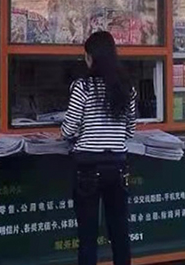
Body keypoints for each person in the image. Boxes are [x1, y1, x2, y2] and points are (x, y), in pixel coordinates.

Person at [61, 31, 137, 265]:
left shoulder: (82, 87)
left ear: (91, 57)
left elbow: (68, 129)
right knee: (120, 231)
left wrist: (76, 133)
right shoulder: (126, 88)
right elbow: (130, 131)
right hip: (117, 166)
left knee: (87, 234)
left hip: (87, 167)